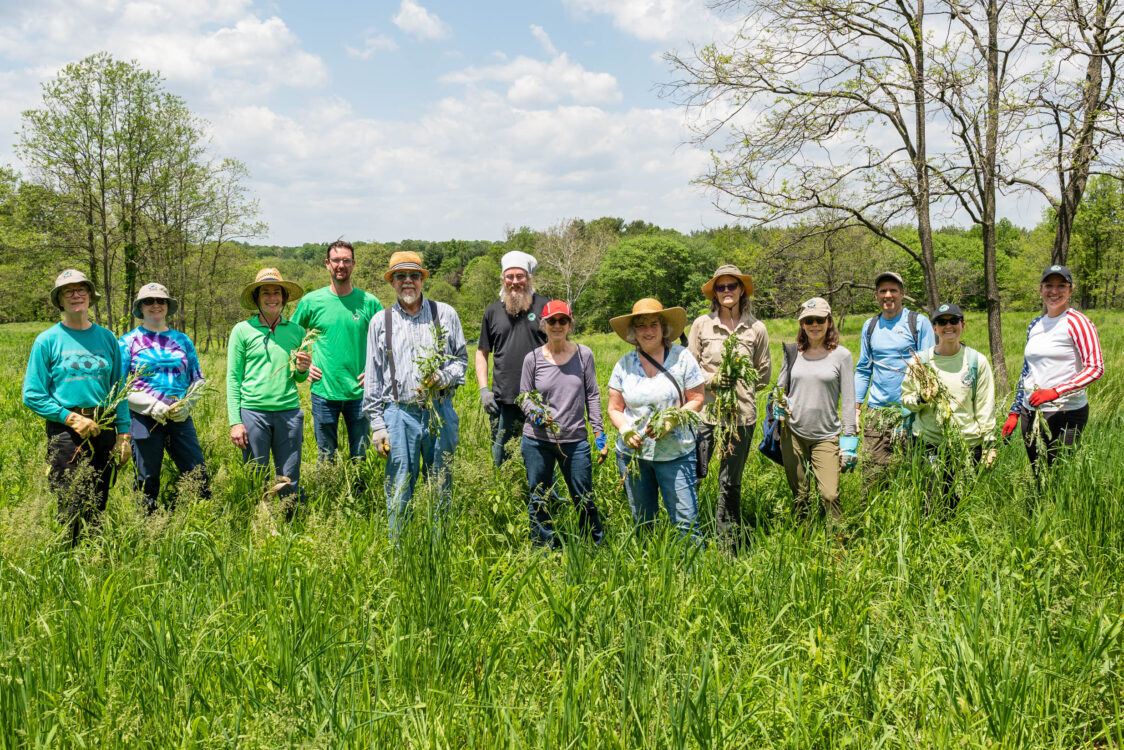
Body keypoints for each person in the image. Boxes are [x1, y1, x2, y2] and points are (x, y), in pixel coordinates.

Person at [22, 269, 132, 544]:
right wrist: (70, 418)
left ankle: (93, 556)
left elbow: (119, 389)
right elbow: (33, 394)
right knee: (70, 498)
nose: (75, 295)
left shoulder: (107, 338)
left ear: (90, 297)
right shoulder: (47, 340)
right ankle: (68, 558)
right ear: (59, 300)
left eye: (81, 289)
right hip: (66, 431)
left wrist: (123, 435)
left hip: (103, 426)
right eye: (67, 291)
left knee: (99, 496)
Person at [363, 251, 467, 538]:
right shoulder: (379, 321)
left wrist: (443, 376)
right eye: (400, 276)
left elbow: (461, 361)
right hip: (398, 415)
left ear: (422, 279)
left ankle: (439, 550)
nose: (407, 281)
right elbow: (372, 378)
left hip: (440, 410)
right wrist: (377, 425)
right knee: (399, 486)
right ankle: (401, 557)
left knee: (441, 485)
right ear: (392, 282)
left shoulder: (445, 314)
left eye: (413, 275)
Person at [607, 298, 705, 540]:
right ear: (634, 331)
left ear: (663, 328)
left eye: (653, 324)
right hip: (634, 456)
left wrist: (675, 418)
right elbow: (614, 408)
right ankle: (649, 570)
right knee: (643, 520)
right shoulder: (624, 365)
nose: (648, 331)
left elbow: (697, 398)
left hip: (676, 454)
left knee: (686, 523)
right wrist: (625, 430)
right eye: (641, 325)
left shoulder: (682, 358)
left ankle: (693, 573)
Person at [688, 264, 771, 547]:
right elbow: (689, 369)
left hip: (741, 417)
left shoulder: (756, 328)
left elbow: (763, 373)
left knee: (730, 482)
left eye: (731, 286)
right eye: (720, 287)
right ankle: (690, 537)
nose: (726, 292)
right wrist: (714, 380)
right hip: (706, 415)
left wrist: (739, 385)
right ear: (714, 293)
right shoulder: (701, 324)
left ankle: (728, 542)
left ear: (741, 290)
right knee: (695, 475)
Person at [518, 300, 608, 547]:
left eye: (563, 320)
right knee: (539, 496)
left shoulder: (583, 354)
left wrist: (599, 433)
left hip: (575, 440)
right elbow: (524, 395)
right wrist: (535, 413)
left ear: (570, 324)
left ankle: (592, 545)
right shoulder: (532, 359)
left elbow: (592, 394)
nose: (557, 325)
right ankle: (543, 546)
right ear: (544, 325)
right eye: (552, 321)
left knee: (584, 496)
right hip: (537, 440)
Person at [1001, 265, 1103, 477]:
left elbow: (1095, 368)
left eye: (1061, 286)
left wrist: (1056, 391)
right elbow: (1027, 371)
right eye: (1049, 285)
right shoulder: (1035, 325)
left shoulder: (1078, 322)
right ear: (1040, 289)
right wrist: (1014, 411)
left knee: (1058, 476)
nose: (1054, 291)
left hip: (1065, 412)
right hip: (1031, 412)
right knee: (1038, 474)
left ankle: (1057, 510)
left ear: (1070, 290)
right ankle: (1038, 509)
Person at [120, 282, 210, 513]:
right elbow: (118, 387)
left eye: (160, 301)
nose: (155, 305)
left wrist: (188, 403)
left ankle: (201, 515)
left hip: (178, 415)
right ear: (140, 307)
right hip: (142, 416)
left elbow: (198, 379)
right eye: (148, 301)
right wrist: (149, 404)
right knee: (147, 476)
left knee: (196, 470)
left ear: (168, 306)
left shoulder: (182, 340)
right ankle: (147, 523)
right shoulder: (128, 342)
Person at [226, 268, 311, 512]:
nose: (271, 297)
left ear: (284, 297)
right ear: (257, 298)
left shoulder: (296, 331)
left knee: (289, 476)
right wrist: (235, 421)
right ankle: (260, 524)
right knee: (256, 475)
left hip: (288, 413)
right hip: (253, 413)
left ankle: (289, 523)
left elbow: (298, 376)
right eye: (266, 292)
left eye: (276, 292)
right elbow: (233, 378)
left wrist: (303, 369)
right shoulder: (242, 330)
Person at [291, 240, 383, 462]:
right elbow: (290, 338)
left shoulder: (369, 302)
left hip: (361, 394)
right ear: (327, 264)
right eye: (336, 260)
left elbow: (386, 343)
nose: (340, 265)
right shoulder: (312, 302)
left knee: (361, 456)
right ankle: (328, 496)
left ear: (353, 264)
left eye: (346, 260)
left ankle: (361, 497)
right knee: (325, 455)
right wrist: (305, 365)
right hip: (324, 392)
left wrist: (375, 373)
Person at [901, 303, 997, 514]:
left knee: (961, 505)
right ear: (934, 328)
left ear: (963, 325)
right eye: (942, 322)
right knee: (930, 502)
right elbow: (905, 399)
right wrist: (922, 399)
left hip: (967, 444)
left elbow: (984, 405)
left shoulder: (976, 361)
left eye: (953, 321)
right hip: (930, 442)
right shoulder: (921, 362)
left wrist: (989, 444)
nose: (948, 326)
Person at [776, 297, 857, 526]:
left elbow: (849, 399)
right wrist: (778, 404)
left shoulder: (841, 355)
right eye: (808, 320)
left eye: (819, 320)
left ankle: (839, 542)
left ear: (828, 322)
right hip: (792, 433)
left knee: (830, 494)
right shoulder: (793, 353)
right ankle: (803, 537)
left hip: (826, 436)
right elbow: (780, 388)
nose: (814, 325)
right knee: (801, 495)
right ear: (802, 324)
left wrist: (849, 442)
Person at [854, 271, 936, 487]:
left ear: (902, 294)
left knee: (918, 473)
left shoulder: (918, 322)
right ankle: (872, 514)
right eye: (882, 291)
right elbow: (864, 369)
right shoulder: (870, 326)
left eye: (893, 290)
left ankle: (919, 516)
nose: (887, 295)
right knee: (873, 475)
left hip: (912, 411)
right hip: (877, 411)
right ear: (876, 295)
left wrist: (918, 405)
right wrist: (856, 408)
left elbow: (927, 369)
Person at [476, 251, 549, 465]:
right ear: (503, 279)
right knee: (503, 462)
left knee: (541, 463)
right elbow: (482, 352)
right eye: (510, 277)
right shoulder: (492, 311)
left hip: (540, 399)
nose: (515, 282)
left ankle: (542, 499)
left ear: (528, 278)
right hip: (502, 400)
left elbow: (560, 350)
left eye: (520, 276)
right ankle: (509, 494)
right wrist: (483, 390)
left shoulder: (545, 307)